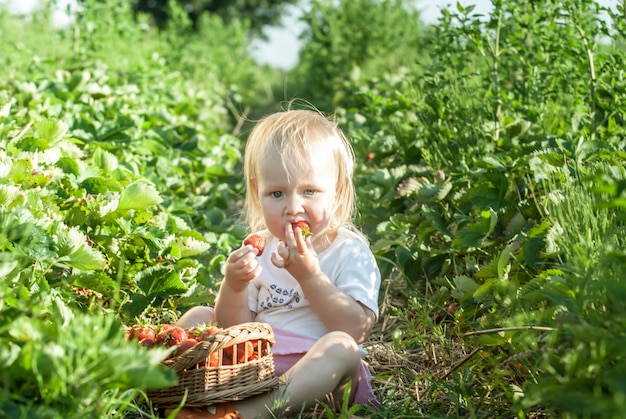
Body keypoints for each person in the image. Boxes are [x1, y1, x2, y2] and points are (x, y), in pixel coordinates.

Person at [171, 108, 381, 419]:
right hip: (254, 368)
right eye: (277, 193)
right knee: (199, 316)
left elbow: (355, 328)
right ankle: (159, 386)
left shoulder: (349, 251)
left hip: (320, 378)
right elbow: (234, 328)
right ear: (258, 193)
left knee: (342, 346)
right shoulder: (260, 248)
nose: (293, 207)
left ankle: (246, 414)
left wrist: (310, 276)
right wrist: (234, 285)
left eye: (309, 191)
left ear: (337, 192)